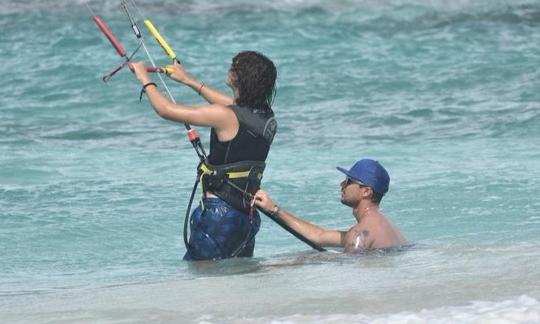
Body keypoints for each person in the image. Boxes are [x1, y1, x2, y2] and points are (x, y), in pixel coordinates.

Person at [130, 51, 278, 261]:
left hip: (219, 216)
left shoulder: (224, 116)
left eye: (233, 66)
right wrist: (187, 80)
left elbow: (165, 110)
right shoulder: (266, 117)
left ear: (238, 77)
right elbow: (230, 105)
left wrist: (144, 77)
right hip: (247, 216)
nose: (229, 68)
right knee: (239, 281)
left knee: (199, 282)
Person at [254, 159, 406, 252]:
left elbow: (350, 273)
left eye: (348, 181)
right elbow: (319, 236)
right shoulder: (388, 226)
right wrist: (274, 209)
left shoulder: (359, 234)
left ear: (366, 191)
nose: (342, 184)